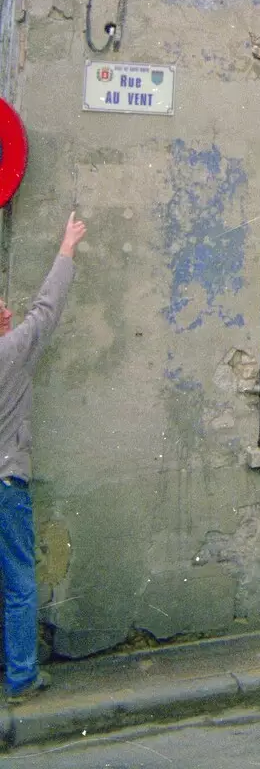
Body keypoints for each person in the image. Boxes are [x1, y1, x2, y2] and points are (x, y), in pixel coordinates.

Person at [0, 213, 86, 698]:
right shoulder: (9, 355)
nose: (7, 312)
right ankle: (22, 675)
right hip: (5, 483)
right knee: (18, 582)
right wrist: (67, 247)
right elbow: (46, 308)